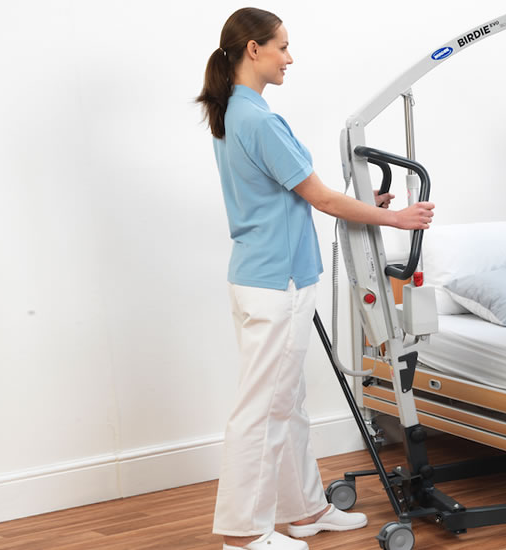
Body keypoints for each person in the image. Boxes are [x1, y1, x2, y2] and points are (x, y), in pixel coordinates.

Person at [196, 8, 435, 550]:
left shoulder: (235, 112)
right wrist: (398, 218)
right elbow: (321, 198)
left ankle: (304, 509)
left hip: (262, 276)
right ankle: (244, 534)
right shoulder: (259, 120)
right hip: (276, 281)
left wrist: (366, 207)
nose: (290, 57)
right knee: (262, 409)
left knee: (285, 402)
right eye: (282, 46)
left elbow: (290, 195)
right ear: (253, 49)